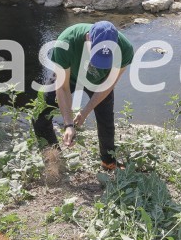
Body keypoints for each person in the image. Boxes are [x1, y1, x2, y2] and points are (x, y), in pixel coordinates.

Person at [32, 21, 134, 171]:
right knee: (39, 114)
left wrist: (85, 112)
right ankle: (54, 161)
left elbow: (108, 85)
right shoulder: (66, 42)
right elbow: (63, 87)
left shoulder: (125, 50)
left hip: (99, 82)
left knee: (105, 120)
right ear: (88, 38)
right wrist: (68, 124)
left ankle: (108, 162)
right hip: (69, 76)